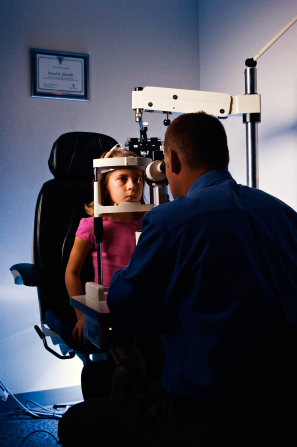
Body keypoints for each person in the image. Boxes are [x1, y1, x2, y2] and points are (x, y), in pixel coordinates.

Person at [58, 112, 297, 446]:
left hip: (207, 412)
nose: (132, 186)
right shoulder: (284, 213)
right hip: (276, 400)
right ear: (224, 156)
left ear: (169, 160)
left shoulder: (169, 221)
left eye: (137, 178)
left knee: (75, 424)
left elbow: (126, 305)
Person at [65, 145, 164, 396]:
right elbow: (72, 273)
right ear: (104, 188)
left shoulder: (148, 222)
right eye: (122, 179)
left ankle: (154, 418)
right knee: (133, 367)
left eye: (138, 179)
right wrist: (81, 317)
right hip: (109, 310)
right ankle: (122, 417)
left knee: (164, 359)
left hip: (143, 307)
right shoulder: (91, 226)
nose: (133, 186)